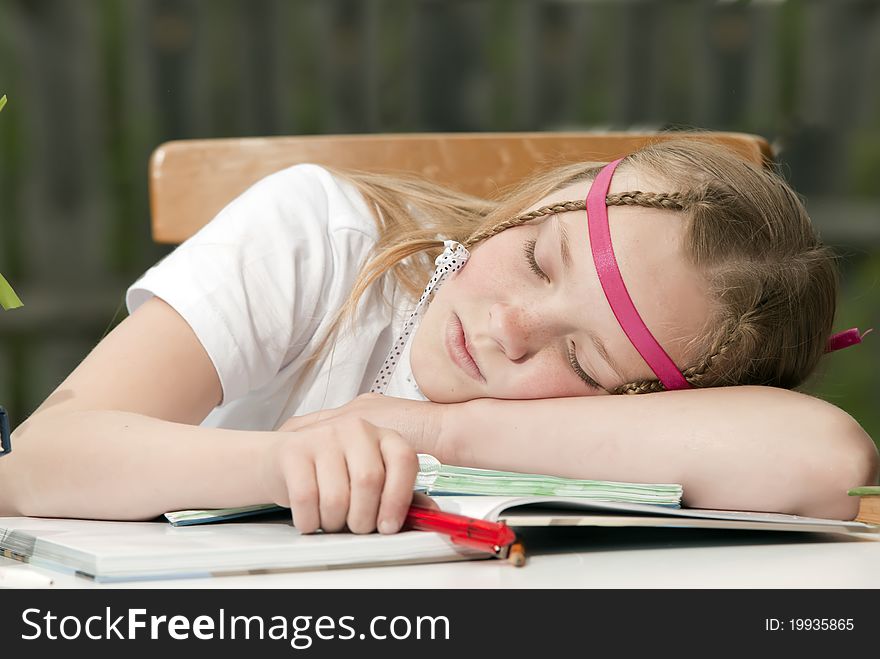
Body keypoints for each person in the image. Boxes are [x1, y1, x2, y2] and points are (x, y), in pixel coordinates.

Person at [0, 139, 876, 535]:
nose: (510, 327)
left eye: (581, 356)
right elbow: (39, 458)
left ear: (638, 404)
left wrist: (437, 432)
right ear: (542, 199)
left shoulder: (595, 426)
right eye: (538, 258)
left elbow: (823, 461)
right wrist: (285, 463)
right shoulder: (325, 238)